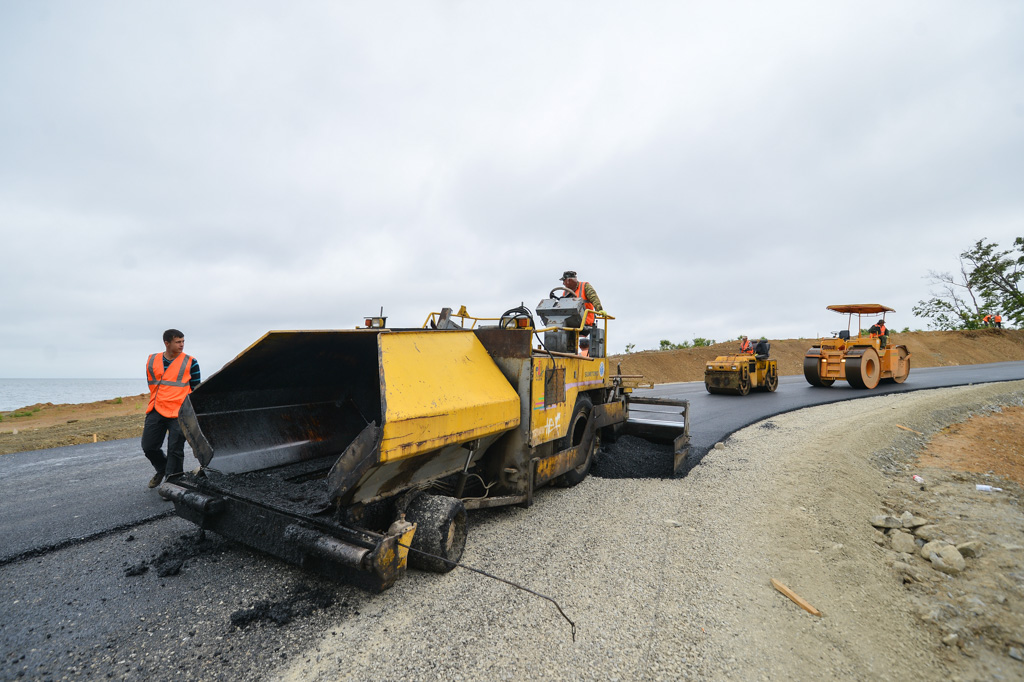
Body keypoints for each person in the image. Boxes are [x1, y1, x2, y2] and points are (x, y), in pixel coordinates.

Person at [142, 329, 200, 488]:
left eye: (183, 341)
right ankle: (162, 469)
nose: (182, 345)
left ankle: (173, 482)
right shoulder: (152, 360)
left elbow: (195, 389)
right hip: (156, 408)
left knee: (175, 448)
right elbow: (152, 384)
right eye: (178, 342)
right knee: (148, 447)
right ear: (167, 343)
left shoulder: (191, 362)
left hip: (179, 412)